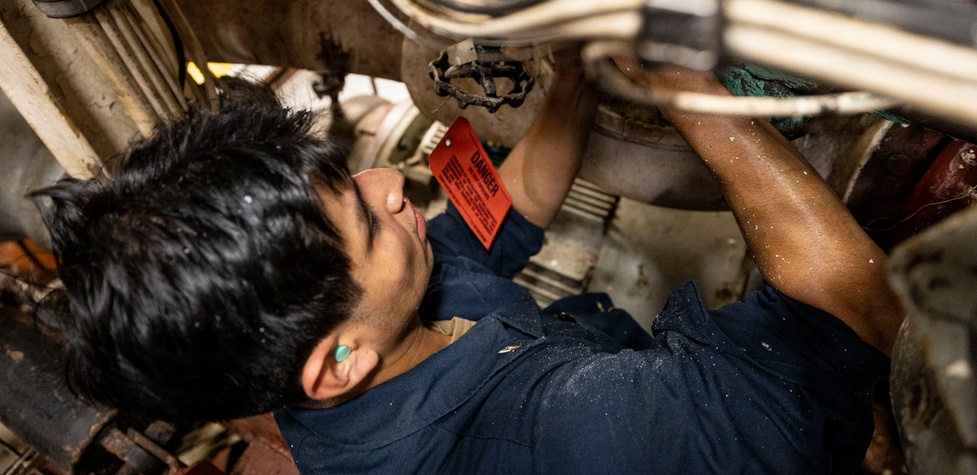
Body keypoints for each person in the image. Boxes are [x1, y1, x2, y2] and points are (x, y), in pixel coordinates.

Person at [35, 56, 904, 474]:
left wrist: (579, 76)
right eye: (366, 220)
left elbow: (509, 199)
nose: (388, 181)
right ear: (338, 361)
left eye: (351, 171)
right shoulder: (553, 439)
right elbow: (857, 301)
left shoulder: (382, 327)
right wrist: (694, 99)